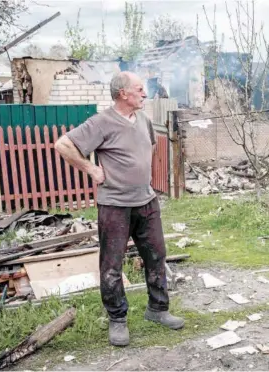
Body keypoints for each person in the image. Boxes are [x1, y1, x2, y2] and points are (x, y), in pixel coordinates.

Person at [54, 71, 184, 347]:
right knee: (112, 264)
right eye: (139, 89)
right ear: (123, 93)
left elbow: (148, 149)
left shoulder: (145, 120)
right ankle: (117, 319)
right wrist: (90, 168)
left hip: (146, 201)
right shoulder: (102, 122)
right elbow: (63, 144)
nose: (145, 94)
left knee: (157, 255)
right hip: (114, 205)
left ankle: (157, 310)